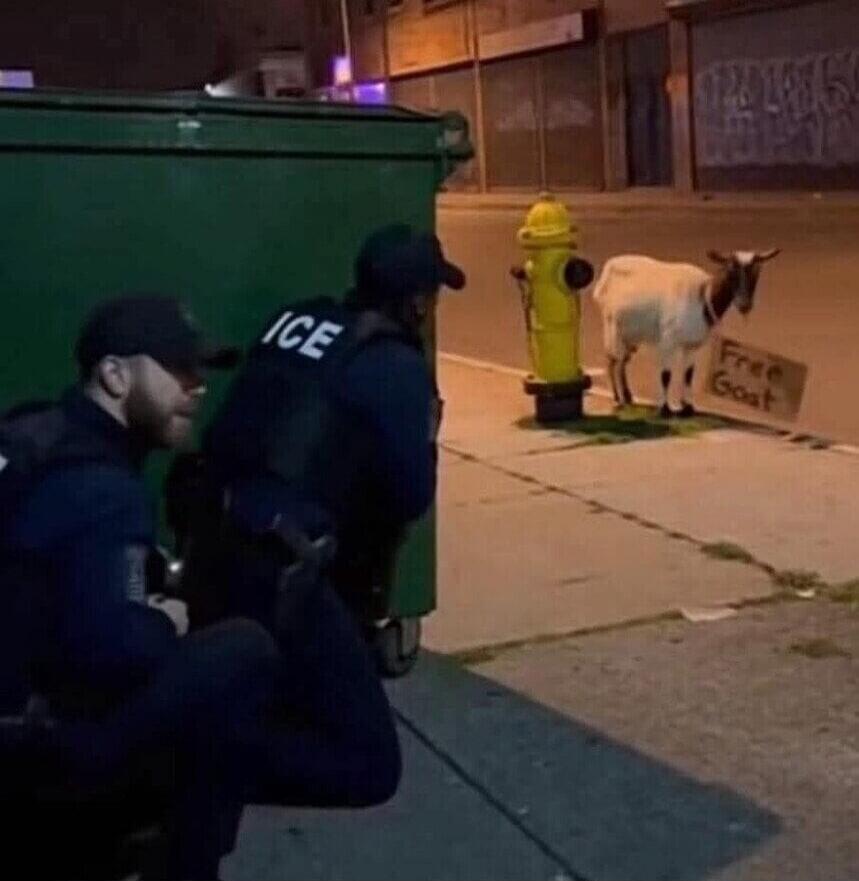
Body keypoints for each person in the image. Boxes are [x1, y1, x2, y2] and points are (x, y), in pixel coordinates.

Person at [174, 223, 466, 810]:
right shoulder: (393, 365)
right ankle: (182, 764)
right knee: (367, 766)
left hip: (207, 538)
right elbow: (409, 497)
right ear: (417, 302)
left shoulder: (298, 321)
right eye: (432, 296)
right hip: (278, 570)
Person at [0, 295, 281, 880]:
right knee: (241, 650)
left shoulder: (33, 433)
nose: (198, 386)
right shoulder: (104, 491)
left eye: (201, 371)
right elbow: (116, 649)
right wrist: (164, 621)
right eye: (180, 370)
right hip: (33, 757)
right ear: (114, 374)